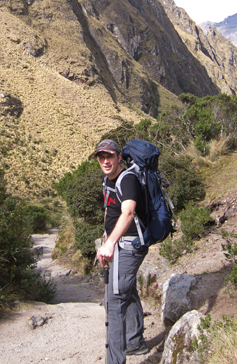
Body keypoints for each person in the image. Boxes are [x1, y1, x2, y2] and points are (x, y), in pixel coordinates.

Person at [94, 139, 149, 363]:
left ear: (119, 157)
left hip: (129, 244)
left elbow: (127, 213)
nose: (105, 161)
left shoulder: (127, 179)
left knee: (115, 300)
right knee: (126, 288)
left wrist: (110, 244)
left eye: (109, 156)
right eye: (101, 157)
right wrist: (106, 236)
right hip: (117, 241)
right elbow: (110, 209)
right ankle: (135, 343)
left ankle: (115, 360)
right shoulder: (108, 180)